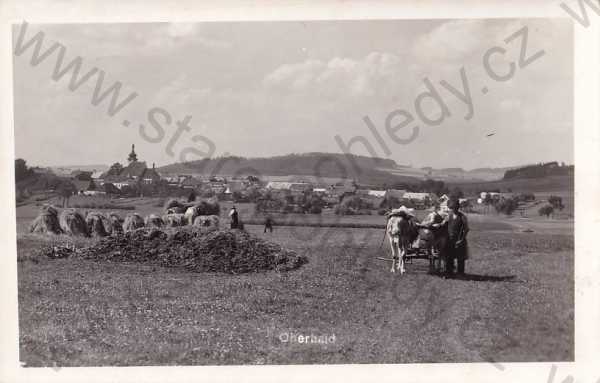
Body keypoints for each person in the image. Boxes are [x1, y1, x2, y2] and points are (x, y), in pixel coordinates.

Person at [444, 199, 469, 276]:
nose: (453, 209)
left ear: (457, 207)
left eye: (455, 207)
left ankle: (460, 273)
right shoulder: (449, 216)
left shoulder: (462, 217)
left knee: (460, 258)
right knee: (449, 257)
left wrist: (461, 239)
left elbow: (466, 229)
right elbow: (443, 224)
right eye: (452, 208)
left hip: (459, 240)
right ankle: (449, 272)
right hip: (450, 240)